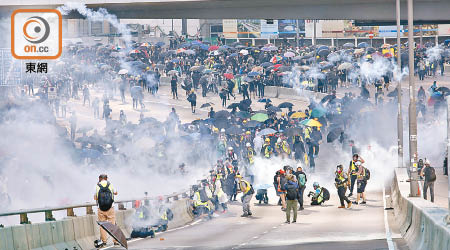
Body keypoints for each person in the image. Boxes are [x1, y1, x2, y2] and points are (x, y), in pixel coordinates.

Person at [94, 174, 118, 247]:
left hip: (101, 209)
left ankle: (104, 242)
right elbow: (116, 193)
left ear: (100, 178)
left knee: (102, 225)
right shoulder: (110, 184)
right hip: (110, 208)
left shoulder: (97, 186)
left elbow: (95, 198)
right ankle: (115, 241)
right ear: (106, 178)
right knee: (112, 225)